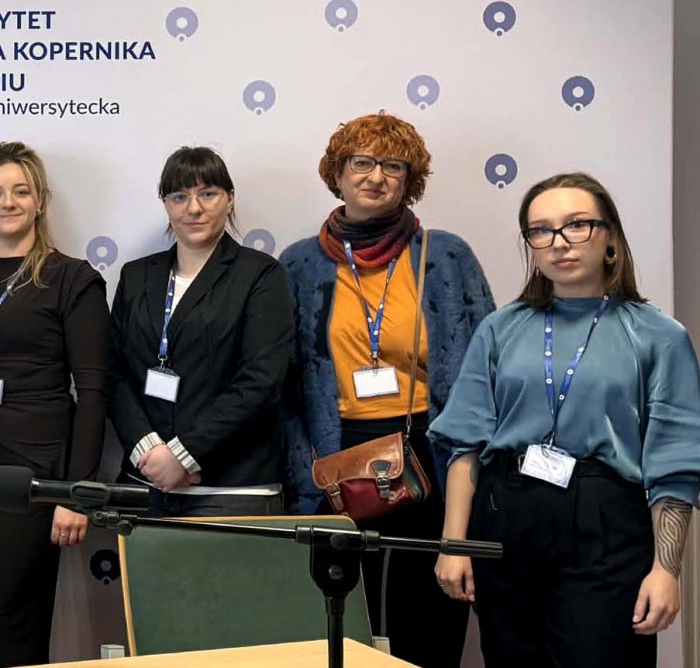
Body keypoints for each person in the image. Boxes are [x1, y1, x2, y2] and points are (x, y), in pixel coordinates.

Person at [430, 172, 698, 667]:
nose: (559, 242)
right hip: (505, 512)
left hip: (605, 519)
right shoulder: (500, 327)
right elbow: (463, 443)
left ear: (610, 237)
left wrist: (666, 570)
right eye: (541, 230)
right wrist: (454, 544)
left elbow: (675, 466)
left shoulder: (659, 336)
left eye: (577, 224)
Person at [279, 112, 494, 668]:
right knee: (341, 623)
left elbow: (485, 368)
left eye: (392, 166)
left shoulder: (445, 256)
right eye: (362, 162)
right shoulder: (299, 263)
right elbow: (284, 383)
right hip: (337, 455)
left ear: (409, 180)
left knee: (427, 619)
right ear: (337, 173)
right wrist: (301, 468)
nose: (375, 176)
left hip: (431, 452)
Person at [0, 141, 110, 668]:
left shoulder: (72, 280)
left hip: (32, 476)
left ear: (40, 201)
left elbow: (93, 391)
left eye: (20, 191)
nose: (7, 202)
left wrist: (76, 492)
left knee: (2, 622)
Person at [108, 146, 293, 516]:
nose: (193, 208)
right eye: (179, 197)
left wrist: (183, 454)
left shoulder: (260, 275)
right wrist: (148, 449)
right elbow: (113, 370)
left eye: (207, 194)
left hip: (232, 487)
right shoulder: (136, 276)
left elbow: (262, 380)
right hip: (145, 482)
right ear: (166, 204)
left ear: (229, 198)